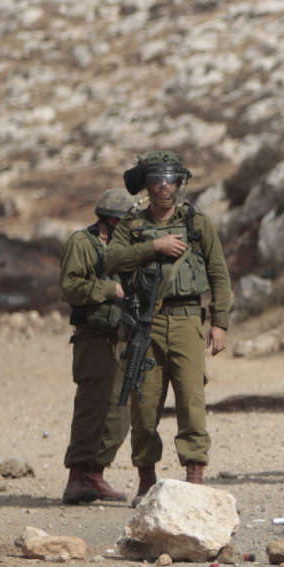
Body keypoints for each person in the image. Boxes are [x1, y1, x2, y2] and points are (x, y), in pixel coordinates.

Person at [104, 151, 231, 500]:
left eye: (170, 179)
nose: (164, 186)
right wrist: (153, 246)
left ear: (179, 183)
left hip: (188, 319)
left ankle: (195, 476)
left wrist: (219, 323)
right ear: (146, 184)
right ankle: (146, 479)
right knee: (144, 407)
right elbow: (111, 259)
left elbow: (219, 273)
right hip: (145, 323)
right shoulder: (132, 225)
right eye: (156, 179)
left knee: (192, 401)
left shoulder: (196, 223)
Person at [59, 188, 136, 504]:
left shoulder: (127, 247)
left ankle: (95, 473)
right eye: (124, 219)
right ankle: (76, 477)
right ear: (110, 219)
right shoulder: (82, 243)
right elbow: (70, 287)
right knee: (91, 408)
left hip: (123, 336)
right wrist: (109, 289)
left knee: (121, 410)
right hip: (93, 337)